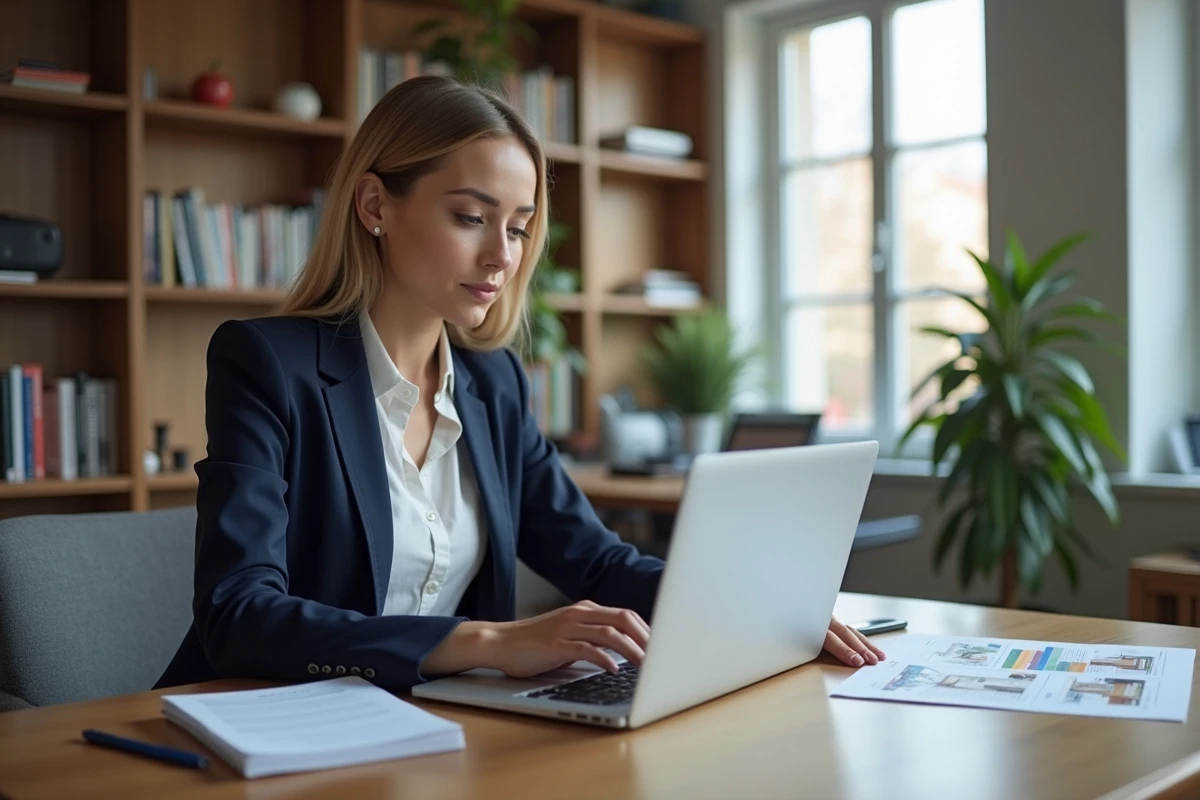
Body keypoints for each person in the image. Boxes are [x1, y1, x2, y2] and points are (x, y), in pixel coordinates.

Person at [155, 76, 884, 693]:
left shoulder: (490, 381)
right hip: (258, 726)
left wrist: (758, 606)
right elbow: (238, 612)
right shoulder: (265, 364)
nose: (500, 255)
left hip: (428, 730)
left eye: (519, 226)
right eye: (471, 217)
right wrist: (487, 642)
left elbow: (594, 557)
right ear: (375, 206)